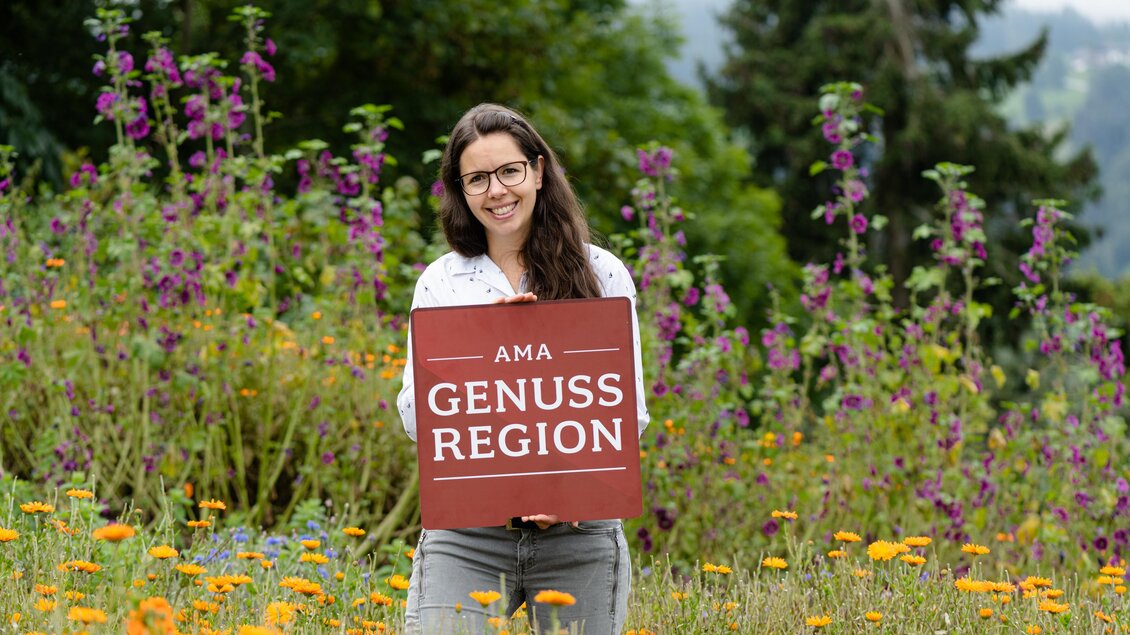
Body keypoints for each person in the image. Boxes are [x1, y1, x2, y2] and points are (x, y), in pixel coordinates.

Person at [396, 103, 649, 634]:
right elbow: (420, 421)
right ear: (461, 191)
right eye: (477, 179)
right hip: (467, 533)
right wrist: (477, 343)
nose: (497, 190)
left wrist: (568, 494)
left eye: (509, 171)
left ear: (537, 170)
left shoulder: (602, 273)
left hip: (579, 532)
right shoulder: (441, 283)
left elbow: (627, 414)